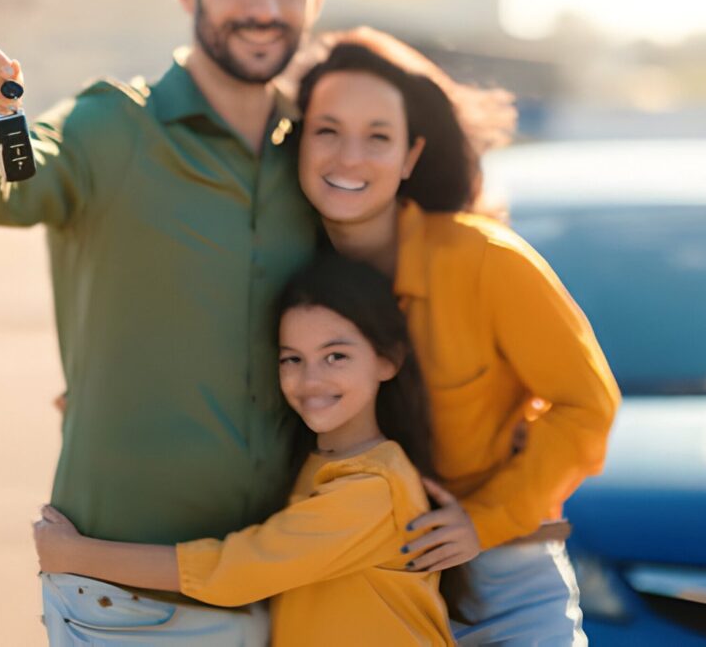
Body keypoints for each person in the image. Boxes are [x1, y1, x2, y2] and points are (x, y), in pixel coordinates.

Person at [0, 0, 331, 642]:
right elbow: (12, 182)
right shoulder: (111, 126)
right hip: (128, 605)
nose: (265, 7)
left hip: (293, 592)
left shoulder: (321, 154)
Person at [289, 28, 623, 645]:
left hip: (503, 584)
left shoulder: (487, 260)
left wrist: (483, 519)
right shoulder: (279, 274)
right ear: (298, 140)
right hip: (355, 589)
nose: (349, 157)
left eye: (378, 137)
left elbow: (588, 405)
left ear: (411, 156)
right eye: (327, 130)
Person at [33, 255, 455, 646]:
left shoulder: (375, 489)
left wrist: (76, 555)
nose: (310, 380)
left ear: (388, 360)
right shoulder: (313, 461)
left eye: (336, 357)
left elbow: (235, 571)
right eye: (292, 359)